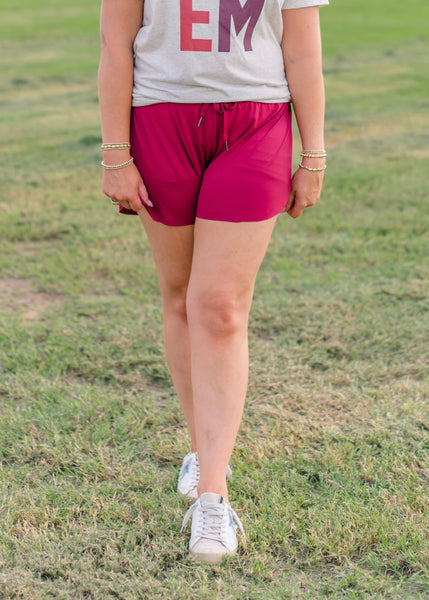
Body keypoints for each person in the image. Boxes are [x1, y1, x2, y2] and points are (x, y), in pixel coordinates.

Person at [98, 0, 328, 564]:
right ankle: (202, 449)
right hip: (159, 119)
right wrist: (113, 152)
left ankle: (212, 498)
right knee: (180, 298)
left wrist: (314, 154)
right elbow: (115, 44)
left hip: (258, 121)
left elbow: (300, 48)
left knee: (220, 307)